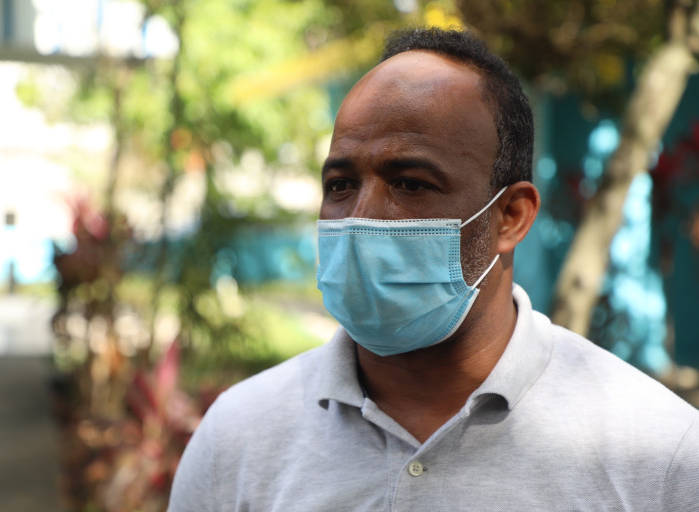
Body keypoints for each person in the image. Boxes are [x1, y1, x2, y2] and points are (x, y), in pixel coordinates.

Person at [168, 28, 699, 511]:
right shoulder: (236, 441)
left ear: (511, 217)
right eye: (340, 185)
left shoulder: (658, 456)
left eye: (410, 183)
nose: (360, 217)